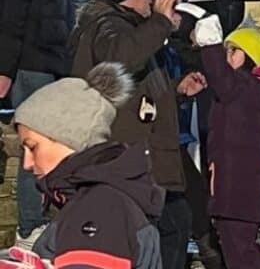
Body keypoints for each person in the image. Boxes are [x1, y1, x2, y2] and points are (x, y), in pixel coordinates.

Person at [69, 0, 205, 269]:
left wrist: (175, 88)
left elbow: (133, 84)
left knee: (174, 223)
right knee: (163, 229)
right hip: (129, 157)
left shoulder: (128, 26)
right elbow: (120, 58)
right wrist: (159, 22)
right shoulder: (106, 27)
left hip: (145, 155)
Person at [0, 0, 100, 248]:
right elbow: (13, 10)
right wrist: (5, 68)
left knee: (48, 139)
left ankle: (40, 216)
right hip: (30, 63)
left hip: (44, 61)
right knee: (37, 141)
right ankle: (30, 225)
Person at [146, 0, 242, 268]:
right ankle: (186, 219)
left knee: (213, 135)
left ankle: (213, 217)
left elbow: (234, 6)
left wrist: (214, 37)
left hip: (209, 58)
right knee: (175, 141)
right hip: (171, 59)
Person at [13, 62, 164, 269]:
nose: (27, 164)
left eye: (33, 147)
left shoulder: (99, 207)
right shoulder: (99, 198)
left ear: (68, 140)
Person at [192, 21, 260, 269]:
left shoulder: (242, 87)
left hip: (235, 189)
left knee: (241, 255)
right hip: (239, 189)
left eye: (232, 51)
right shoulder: (251, 92)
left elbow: (220, 75)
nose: (226, 57)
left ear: (247, 57)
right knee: (241, 248)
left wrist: (211, 45)